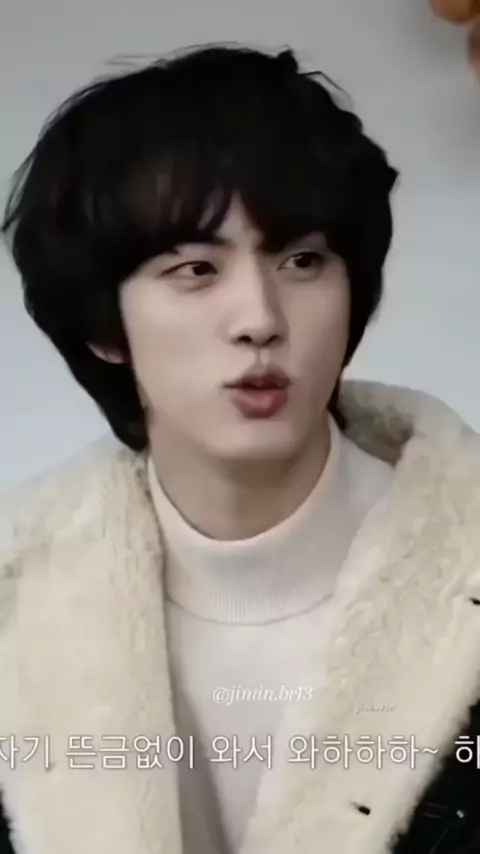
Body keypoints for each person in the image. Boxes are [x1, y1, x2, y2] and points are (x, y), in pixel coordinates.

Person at [1, 42, 480, 854]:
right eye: (195, 270)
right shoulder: (14, 597)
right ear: (103, 326)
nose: (260, 318)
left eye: (302, 261)